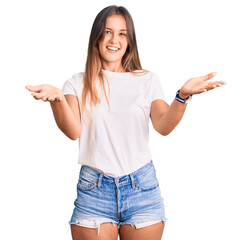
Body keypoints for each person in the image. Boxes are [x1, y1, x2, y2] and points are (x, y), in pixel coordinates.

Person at [25, 5, 226, 240]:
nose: (114, 40)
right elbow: (73, 131)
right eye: (108, 31)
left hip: (141, 187)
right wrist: (57, 99)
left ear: (130, 40)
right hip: (94, 190)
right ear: (97, 36)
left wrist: (182, 96)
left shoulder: (147, 80)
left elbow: (163, 125)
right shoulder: (76, 83)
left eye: (122, 33)